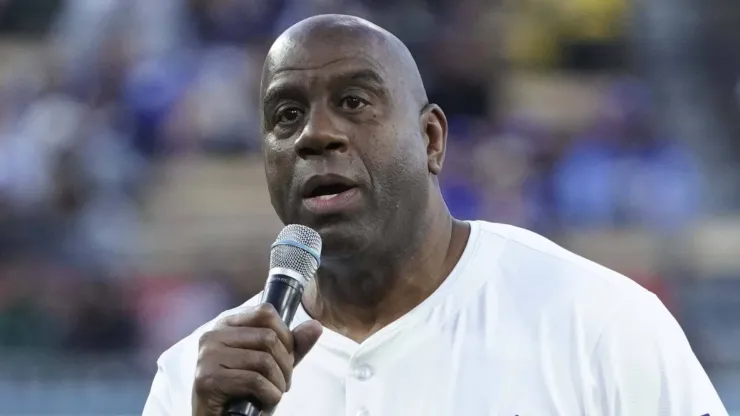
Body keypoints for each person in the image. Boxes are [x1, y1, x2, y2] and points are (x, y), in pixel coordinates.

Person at [142, 15, 728, 416]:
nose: (315, 135)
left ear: (431, 140)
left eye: (354, 102)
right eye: (286, 115)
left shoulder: (597, 320)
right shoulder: (198, 381)